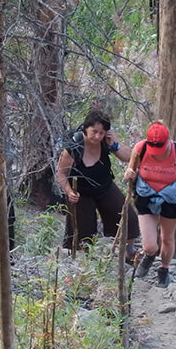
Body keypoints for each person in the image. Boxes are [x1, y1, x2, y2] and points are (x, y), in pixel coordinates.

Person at [123, 121, 176, 288]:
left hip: (170, 196)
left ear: (168, 140)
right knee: (149, 245)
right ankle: (149, 256)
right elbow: (130, 172)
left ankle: (164, 270)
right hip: (146, 195)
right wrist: (129, 174)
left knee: (167, 238)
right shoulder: (140, 149)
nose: (156, 152)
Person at [57, 108, 140, 252]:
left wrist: (114, 144)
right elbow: (61, 173)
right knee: (85, 235)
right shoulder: (74, 147)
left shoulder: (105, 142)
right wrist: (69, 191)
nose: (97, 136)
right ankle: (84, 262)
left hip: (105, 187)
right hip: (81, 193)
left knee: (129, 218)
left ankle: (128, 252)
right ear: (85, 129)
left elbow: (129, 157)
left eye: (101, 133)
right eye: (94, 131)